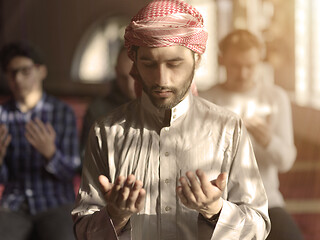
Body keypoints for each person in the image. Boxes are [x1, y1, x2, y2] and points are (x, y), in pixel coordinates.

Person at [72, 1, 271, 239]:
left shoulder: (227, 128)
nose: (161, 79)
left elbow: (258, 226)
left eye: (174, 64)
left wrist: (215, 211)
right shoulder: (107, 131)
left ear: (197, 60)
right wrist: (115, 215)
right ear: (134, 62)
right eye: (149, 64)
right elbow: (83, 230)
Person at [200, 29, 303, 240]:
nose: (243, 73)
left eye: (250, 66)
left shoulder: (275, 97)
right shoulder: (206, 99)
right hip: (219, 202)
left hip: (267, 201)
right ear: (222, 60)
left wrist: (268, 140)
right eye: (236, 66)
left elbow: (286, 162)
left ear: (259, 63)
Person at [0, 42, 81, 240]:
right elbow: (3, 178)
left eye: (25, 71)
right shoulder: (2, 115)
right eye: (12, 73)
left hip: (55, 201)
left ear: (41, 71)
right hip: (14, 204)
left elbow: (72, 171)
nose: (18, 79)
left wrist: (51, 154)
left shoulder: (62, 112)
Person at [80, 46, 136, 157]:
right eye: (123, 77)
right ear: (116, 72)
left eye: (134, 76)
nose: (130, 85)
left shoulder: (159, 106)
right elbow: (86, 159)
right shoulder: (98, 110)